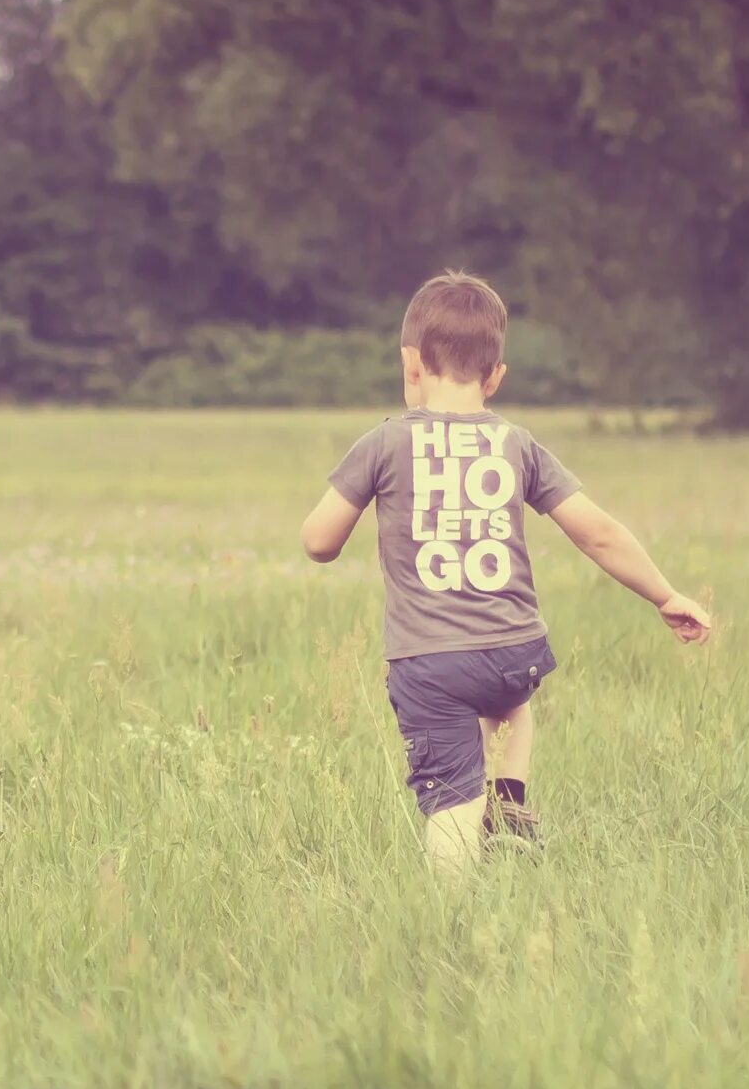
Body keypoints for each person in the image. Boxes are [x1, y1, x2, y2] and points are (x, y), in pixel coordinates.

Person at [300, 270, 712, 878]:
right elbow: (596, 532)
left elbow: (318, 542)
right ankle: (511, 804)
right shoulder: (517, 444)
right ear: (495, 377)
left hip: (430, 661)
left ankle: (454, 915)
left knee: (450, 799)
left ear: (411, 364)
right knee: (510, 702)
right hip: (513, 649)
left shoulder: (383, 443)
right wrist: (665, 593)